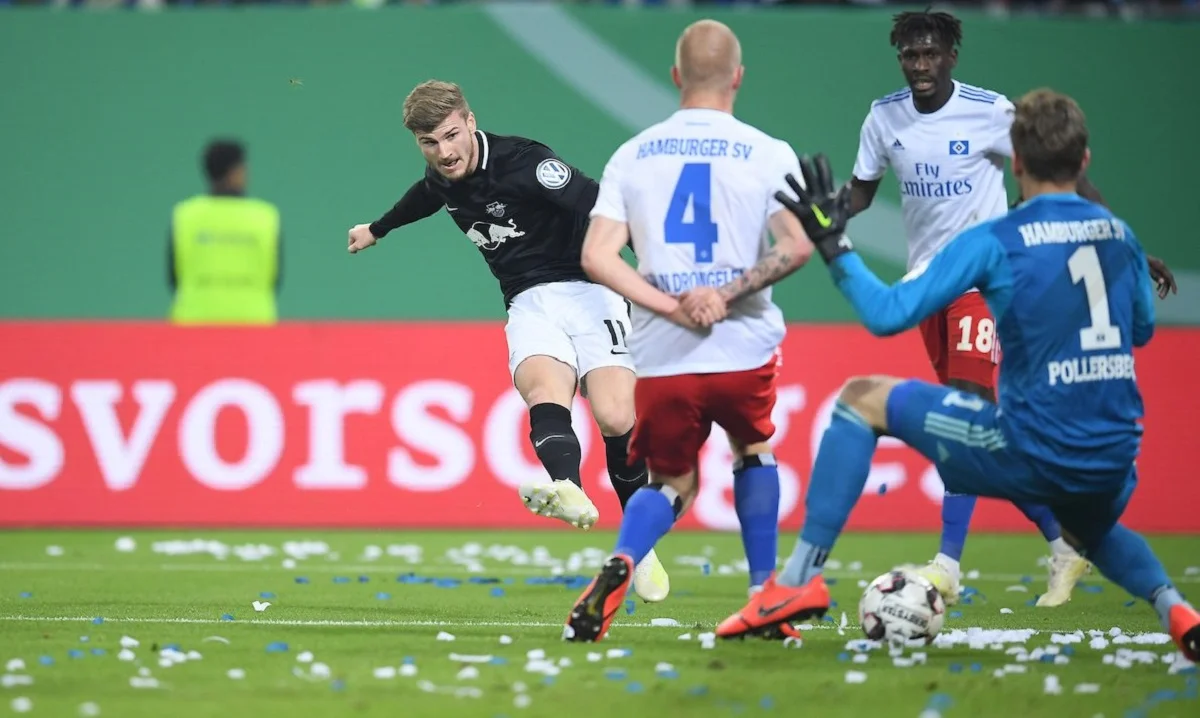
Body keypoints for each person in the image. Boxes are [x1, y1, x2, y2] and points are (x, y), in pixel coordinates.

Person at [715, 90, 1200, 665]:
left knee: (861, 398)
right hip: (1117, 459)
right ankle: (1175, 607)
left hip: (1033, 447)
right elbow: (1141, 330)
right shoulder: (1120, 236)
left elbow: (887, 314)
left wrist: (834, 244)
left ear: (1016, 162)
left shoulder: (995, 239)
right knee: (1088, 527)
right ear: (1085, 160)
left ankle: (797, 582)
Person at [345, 80, 669, 603]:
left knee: (615, 416)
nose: (444, 152)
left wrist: (657, 267)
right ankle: (568, 488)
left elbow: (601, 206)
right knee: (544, 390)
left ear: (470, 121)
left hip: (593, 290)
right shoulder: (441, 177)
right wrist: (378, 229)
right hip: (528, 301)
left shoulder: (527, 163)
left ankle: (641, 546)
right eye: (429, 143)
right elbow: (425, 197)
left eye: (451, 135)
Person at [562, 19, 814, 643]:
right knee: (752, 451)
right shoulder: (769, 152)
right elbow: (797, 245)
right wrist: (721, 295)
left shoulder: (633, 154)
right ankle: (762, 596)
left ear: (676, 75)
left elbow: (596, 256)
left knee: (671, 481)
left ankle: (624, 559)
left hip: (664, 354)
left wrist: (671, 307)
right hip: (742, 345)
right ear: (738, 77)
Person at [847, 9, 1092, 608]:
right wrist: (819, 218)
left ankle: (948, 564)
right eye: (910, 54)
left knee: (962, 411)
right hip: (928, 287)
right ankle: (1063, 540)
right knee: (980, 430)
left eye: (931, 53)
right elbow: (860, 192)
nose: (920, 64)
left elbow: (1056, 174)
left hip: (982, 284)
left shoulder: (990, 112)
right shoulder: (884, 117)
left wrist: (1105, 232)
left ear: (951, 56)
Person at [168, 139, 282, 325]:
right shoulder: (265, 217)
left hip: (193, 324)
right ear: (237, 171)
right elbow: (275, 278)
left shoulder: (185, 215)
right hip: (253, 324)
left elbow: (173, 278)